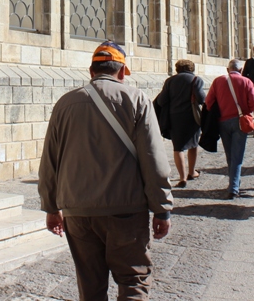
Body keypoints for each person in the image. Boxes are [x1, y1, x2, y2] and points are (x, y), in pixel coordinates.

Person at [38, 41, 173, 300]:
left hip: (78, 211)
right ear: (121, 71)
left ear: (91, 71)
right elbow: (153, 158)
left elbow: (50, 160)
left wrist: (51, 207)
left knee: (90, 285)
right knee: (133, 280)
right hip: (125, 209)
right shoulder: (137, 99)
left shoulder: (65, 103)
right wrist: (162, 208)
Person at [205, 58, 254, 199]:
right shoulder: (246, 81)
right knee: (237, 155)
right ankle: (234, 187)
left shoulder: (218, 81)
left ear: (227, 70)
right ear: (241, 70)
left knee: (230, 154)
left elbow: (208, 102)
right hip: (240, 121)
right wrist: (246, 111)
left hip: (223, 121)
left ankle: (233, 183)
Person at [156, 59, 207, 187]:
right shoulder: (196, 80)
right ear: (192, 68)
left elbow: (161, 101)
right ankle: (192, 172)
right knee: (193, 144)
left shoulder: (170, 81)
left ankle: (182, 177)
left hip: (174, 118)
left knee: (178, 147)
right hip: (192, 117)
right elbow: (202, 99)